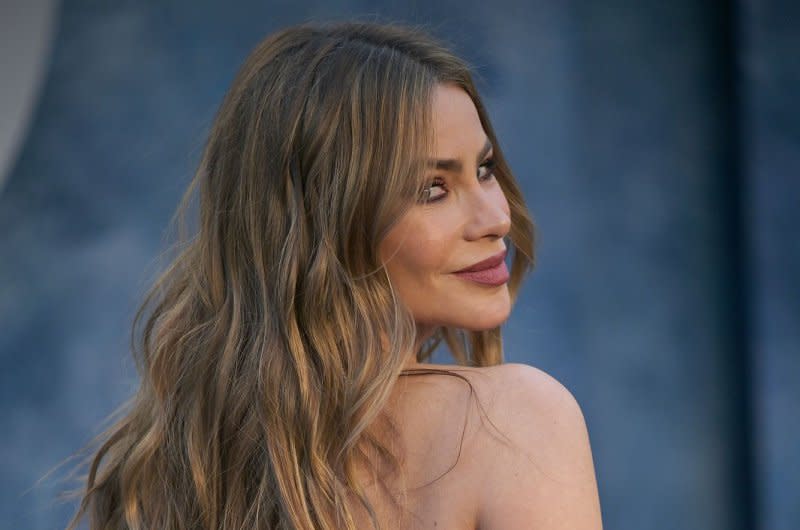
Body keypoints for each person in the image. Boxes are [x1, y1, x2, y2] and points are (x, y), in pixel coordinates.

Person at [68, 21, 603, 530]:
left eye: (484, 170)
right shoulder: (514, 420)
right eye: (432, 189)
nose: (498, 218)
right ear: (327, 225)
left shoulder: (170, 468)